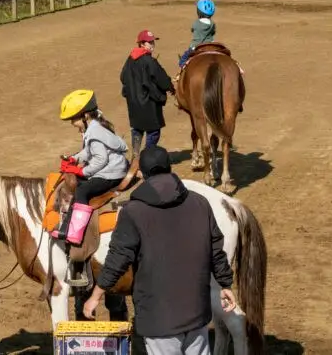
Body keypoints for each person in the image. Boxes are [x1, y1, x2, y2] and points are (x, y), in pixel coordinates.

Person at [82, 146, 237, 354]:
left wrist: (96, 295)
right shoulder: (200, 203)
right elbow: (215, 248)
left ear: (142, 174)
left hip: (158, 318)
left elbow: (119, 257)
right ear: (170, 167)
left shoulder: (133, 212)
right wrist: (225, 283)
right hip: (196, 312)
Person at [54, 89, 130, 285]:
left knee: (82, 190)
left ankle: (75, 232)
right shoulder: (94, 127)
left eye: (74, 119)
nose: (73, 123)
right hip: (114, 168)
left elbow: (99, 159)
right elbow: (88, 152)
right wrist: (74, 159)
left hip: (111, 174)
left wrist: (81, 172)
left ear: (85, 116)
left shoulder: (94, 132)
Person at [119, 30, 175, 160]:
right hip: (148, 102)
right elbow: (161, 78)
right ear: (142, 44)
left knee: (137, 129)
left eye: (153, 41)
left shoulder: (130, 59)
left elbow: (122, 76)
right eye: (149, 42)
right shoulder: (148, 60)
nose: (152, 44)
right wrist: (170, 87)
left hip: (133, 102)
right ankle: (146, 156)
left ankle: (136, 154)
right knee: (154, 131)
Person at [178, 0, 217, 69]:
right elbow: (213, 32)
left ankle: (184, 68)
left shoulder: (196, 23)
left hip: (196, 47)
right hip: (211, 45)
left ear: (198, 12)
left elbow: (192, 30)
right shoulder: (212, 24)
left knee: (182, 60)